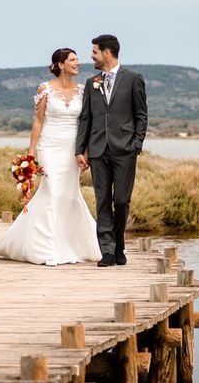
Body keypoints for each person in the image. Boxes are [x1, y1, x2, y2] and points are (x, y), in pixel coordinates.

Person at [0, 48, 102, 266]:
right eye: (73, 60)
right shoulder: (45, 89)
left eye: (78, 59)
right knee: (52, 190)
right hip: (49, 146)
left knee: (70, 194)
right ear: (60, 64)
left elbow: (87, 124)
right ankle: (46, 249)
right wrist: (31, 153)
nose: (78, 63)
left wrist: (85, 151)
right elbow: (38, 121)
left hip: (73, 148)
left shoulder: (84, 90)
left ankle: (73, 245)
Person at [75, 34, 147, 267]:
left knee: (122, 200)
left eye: (95, 51)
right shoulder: (91, 82)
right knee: (102, 199)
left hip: (124, 149)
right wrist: (81, 149)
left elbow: (141, 116)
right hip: (97, 150)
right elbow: (85, 118)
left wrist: (136, 145)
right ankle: (106, 250)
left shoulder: (134, 79)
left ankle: (119, 245)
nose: (91, 56)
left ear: (107, 52)